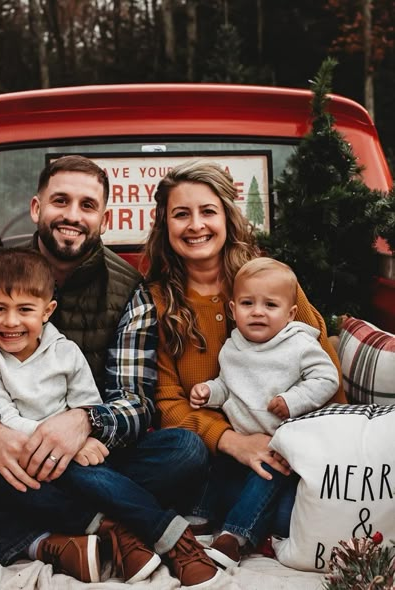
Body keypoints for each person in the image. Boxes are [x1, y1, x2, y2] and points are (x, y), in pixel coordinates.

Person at [0, 155, 215, 586]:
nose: (72, 216)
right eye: (61, 201)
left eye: (87, 205)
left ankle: (45, 537)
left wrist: (83, 424)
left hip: (90, 454)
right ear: (38, 208)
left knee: (185, 451)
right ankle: (115, 525)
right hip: (2, 448)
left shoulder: (130, 290)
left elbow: (135, 402)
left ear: (104, 217)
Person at [0, 246, 219, 586]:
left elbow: (89, 404)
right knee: (9, 478)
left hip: (84, 457)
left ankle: (107, 525)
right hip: (27, 460)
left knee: (183, 446)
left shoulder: (66, 352)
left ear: (47, 311)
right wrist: (65, 448)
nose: (11, 321)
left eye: (25, 309)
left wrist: (83, 438)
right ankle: (165, 535)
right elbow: (5, 418)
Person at [141, 160, 346, 568]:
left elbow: (323, 366)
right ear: (165, 225)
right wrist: (233, 442)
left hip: (284, 450)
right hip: (210, 459)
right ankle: (218, 521)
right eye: (181, 214)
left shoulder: (267, 281)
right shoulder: (157, 302)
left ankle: (239, 529)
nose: (196, 224)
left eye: (208, 211)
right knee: (190, 459)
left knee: (292, 514)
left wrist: (317, 444)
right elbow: (166, 401)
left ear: (227, 217)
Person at [189, 256, 339, 566]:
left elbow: (327, 378)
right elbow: (227, 385)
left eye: (270, 305)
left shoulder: (298, 345)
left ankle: (236, 536)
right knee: (216, 465)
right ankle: (201, 519)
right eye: (247, 303)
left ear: (290, 313)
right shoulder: (233, 346)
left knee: (266, 477)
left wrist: (293, 399)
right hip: (241, 441)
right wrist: (209, 392)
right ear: (233, 310)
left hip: (280, 448)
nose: (258, 312)